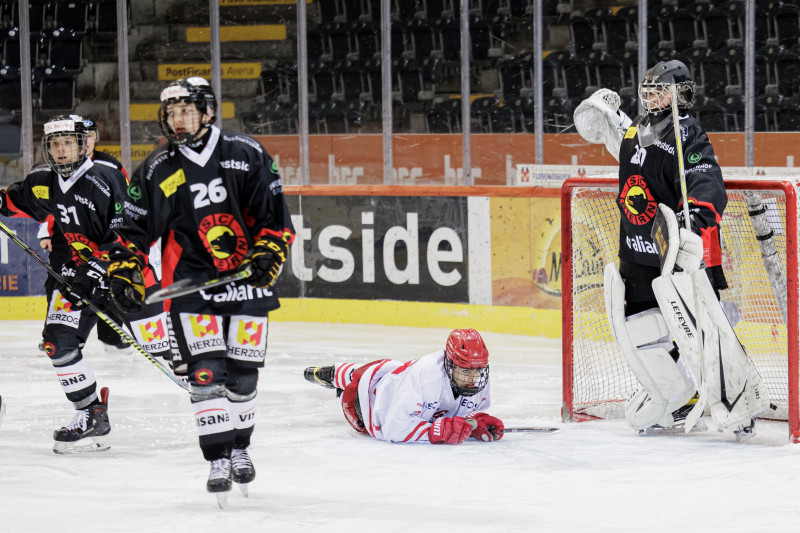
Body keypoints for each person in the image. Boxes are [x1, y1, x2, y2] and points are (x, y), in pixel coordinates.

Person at [106, 77, 295, 501]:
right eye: (171, 113)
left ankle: (241, 449)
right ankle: (217, 457)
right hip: (191, 290)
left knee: (243, 378)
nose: (178, 120)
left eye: (187, 110)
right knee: (206, 374)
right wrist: (125, 270)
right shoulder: (157, 167)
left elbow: (275, 218)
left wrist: (268, 254)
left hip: (244, 286)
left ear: (207, 112)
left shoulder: (246, 154)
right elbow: (134, 229)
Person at [573, 59, 769, 440]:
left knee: (704, 332)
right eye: (649, 92)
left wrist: (695, 216)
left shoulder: (687, 133)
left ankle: (738, 401)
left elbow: (706, 180)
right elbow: (631, 153)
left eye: (662, 90)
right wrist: (609, 120)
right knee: (639, 333)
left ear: (683, 94)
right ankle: (678, 395)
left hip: (676, 255)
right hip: (635, 253)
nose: (654, 98)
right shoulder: (636, 131)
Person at [0, 114, 129, 453]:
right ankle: (91, 413)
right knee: (57, 342)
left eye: (67, 143)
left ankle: (216, 391)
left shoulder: (105, 178)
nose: (61, 150)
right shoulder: (43, 180)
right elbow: (13, 200)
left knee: (158, 343)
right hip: (75, 274)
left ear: (82, 144)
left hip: (120, 275)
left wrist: (94, 273)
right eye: (55, 144)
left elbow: (127, 236)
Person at [304, 328, 505, 444]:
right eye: (466, 371)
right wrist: (435, 432)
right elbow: (394, 430)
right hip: (367, 401)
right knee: (360, 379)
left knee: (393, 370)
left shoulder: (478, 377)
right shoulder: (426, 376)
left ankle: (340, 374)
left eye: (478, 370)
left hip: (396, 376)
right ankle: (330, 374)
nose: (473, 378)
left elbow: (467, 416)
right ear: (449, 365)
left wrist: (475, 424)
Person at [38, 116, 132, 353]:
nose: (86, 142)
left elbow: (123, 212)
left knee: (107, 284)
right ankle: (61, 332)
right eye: (58, 142)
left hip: (99, 237)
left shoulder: (108, 168)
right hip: (65, 234)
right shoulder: (52, 170)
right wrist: (45, 231)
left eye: (88, 138)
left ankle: (111, 333)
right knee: (59, 281)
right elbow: (44, 203)